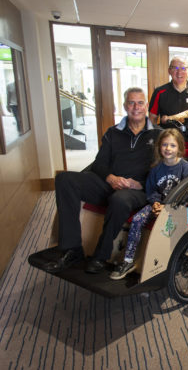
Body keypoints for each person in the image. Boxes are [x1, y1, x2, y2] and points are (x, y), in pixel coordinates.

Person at [44, 87, 162, 274]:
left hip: (138, 190)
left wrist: (138, 184)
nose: (136, 107)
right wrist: (111, 178)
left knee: (120, 199)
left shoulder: (158, 135)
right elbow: (99, 164)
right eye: (131, 103)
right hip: (109, 184)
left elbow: (162, 171)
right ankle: (72, 249)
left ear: (147, 106)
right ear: (125, 106)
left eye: (140, 103)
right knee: (64, 179)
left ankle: (100, 255)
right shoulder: (113, 132)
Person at [110, 129, 188, 280]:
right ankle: (128, 261)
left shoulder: (185, 168)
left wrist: (166, 208)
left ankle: (170, 260)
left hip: (176, 207)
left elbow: (187, 193)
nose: (168, 148)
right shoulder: (156, 169)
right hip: (157, 204)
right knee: (137, 220)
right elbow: (151, 190)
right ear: (159, 147)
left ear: (179, 148)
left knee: (168, 226)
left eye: (172, 146)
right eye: (165, 145)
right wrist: (155, 203)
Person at [148, 56, 188, 126]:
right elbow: (152, 120)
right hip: (168, 135)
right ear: (169, 71)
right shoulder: (159, 92)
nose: (179, 72)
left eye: (183, 68)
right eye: (175, 68)